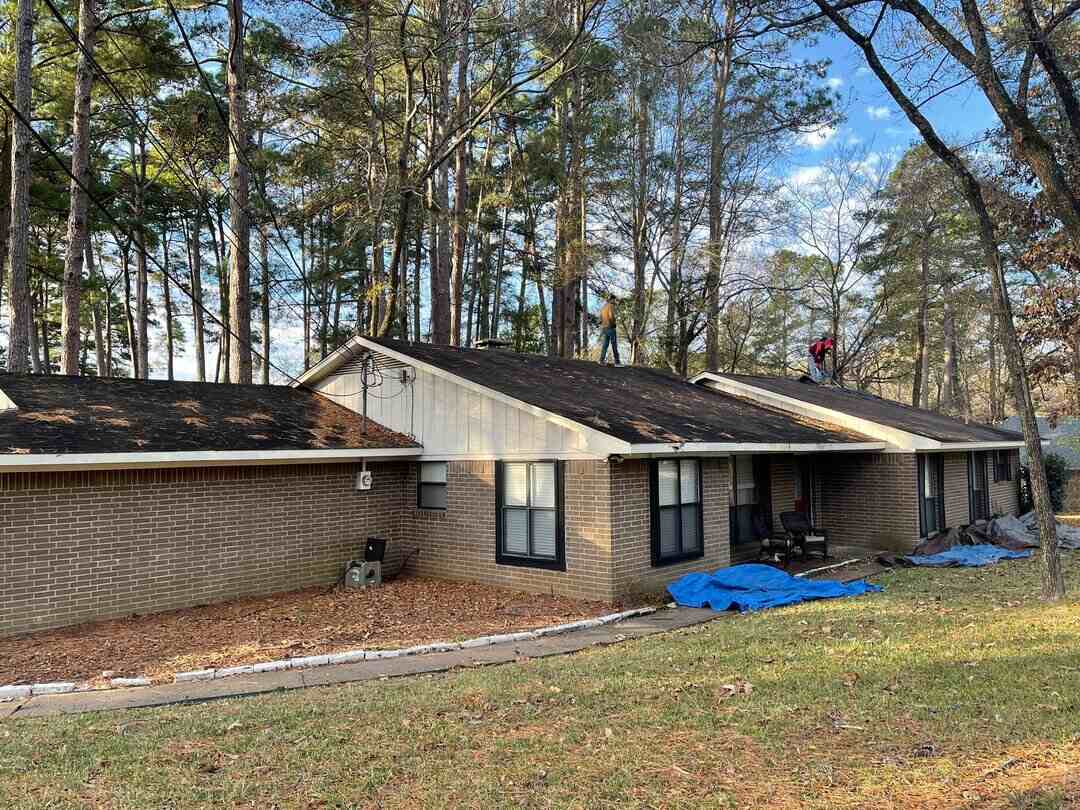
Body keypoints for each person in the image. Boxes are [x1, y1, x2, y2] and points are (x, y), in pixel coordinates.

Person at [599, 294, 621, 365]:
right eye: (614, 300)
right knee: (614, 344)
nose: (614, 301)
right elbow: (611, 316)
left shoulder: (603, 307)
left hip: (604, 328)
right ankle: (617, 361)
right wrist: (613, 323)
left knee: (605, 344)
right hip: (610, 327)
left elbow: (600, 319)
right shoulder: (611, 306)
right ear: (612, 299)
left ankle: (601, 360)